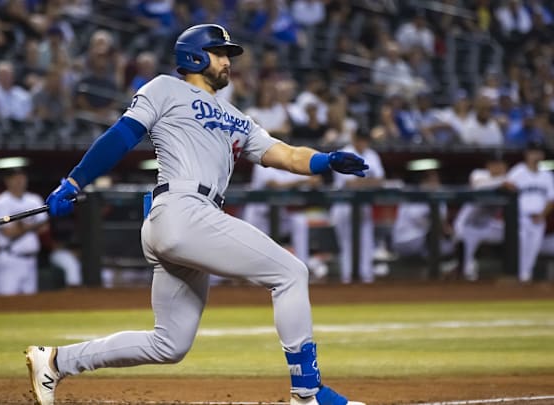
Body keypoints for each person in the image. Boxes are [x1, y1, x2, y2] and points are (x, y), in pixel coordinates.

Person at [26, 24, 368, 405]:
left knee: (169, 343)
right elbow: (121, 137)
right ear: (195, 56)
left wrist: (326, 160)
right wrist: (75, 182)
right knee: (291, 273)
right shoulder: (165, 88)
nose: (227, 61)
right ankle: (308, 394)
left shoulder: (238, 117)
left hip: (184, 220)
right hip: (181, 210)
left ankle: (55, 361)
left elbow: (285, 155)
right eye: (220, 53)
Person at [242, 164, 328, 279]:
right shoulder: (261, 165)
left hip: (279, 218)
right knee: (249, 255)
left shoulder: (285, 165)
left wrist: (310, 179)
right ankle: (246, 278)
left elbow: (316, 180)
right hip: (258, 219)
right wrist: (302, 181)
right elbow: (275, 184)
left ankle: (303, 267)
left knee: (299, 221)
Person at [329, 130, 385, 284]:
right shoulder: (343, 154)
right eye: (359, 139)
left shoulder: (372, 155)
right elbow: (349, 183)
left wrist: (365, 182)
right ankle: (348, 279)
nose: (362, 142)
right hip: (343, 205)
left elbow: (380, 180)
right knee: (347, 244)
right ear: (353, 138)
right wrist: (370, 181)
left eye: (364, 139)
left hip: (364, 205)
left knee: (366, 242)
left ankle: (366, 279)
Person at [0, 167, 49, 296]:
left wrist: (21, 226)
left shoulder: (34, 199)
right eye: (15, 178)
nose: (19, 181)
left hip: (31, 259)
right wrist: (32, 225)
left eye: (22, 178)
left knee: (30, 305)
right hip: (10, 258)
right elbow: (8, 232)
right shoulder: (1, 202)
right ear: (7, 181)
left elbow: (44, 227)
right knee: (6, 302)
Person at [453, 152, 510, 281]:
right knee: (466, 269)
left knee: (519, 234)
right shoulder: (479, 174)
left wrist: (505, 182)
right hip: (468, 226)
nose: (498, 167)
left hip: (489, 226)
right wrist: (503, 182)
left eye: (500, 164)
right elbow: (479, 185)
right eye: (494, 164)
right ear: (488, 166)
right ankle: (463, 279)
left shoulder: (509, 180)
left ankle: (516, 272)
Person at [391, 170, 458, 274]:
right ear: (423, 183)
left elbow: (444, 225)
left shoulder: (439, 198)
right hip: (405, 241)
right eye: (431, 181)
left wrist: (452, 234)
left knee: (451, 242)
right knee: (433, 233)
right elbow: (429, 221)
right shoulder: (413, 196)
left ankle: (438, 268)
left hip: (422, 241)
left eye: (436, 181)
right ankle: (434, 269)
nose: (435, 184)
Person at [505, 141, 554, 283]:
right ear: (527, 154)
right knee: (520, 250)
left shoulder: (547, 175)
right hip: (521, 218)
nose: (536, 155)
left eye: (538, 152)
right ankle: (519, 278)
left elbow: (551, 199)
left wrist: (542, 215)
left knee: (532, 252)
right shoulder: (518, 171)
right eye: (533, 152)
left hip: (539, 219)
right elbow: (506, 186)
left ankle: (525, 279)